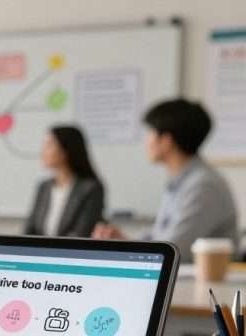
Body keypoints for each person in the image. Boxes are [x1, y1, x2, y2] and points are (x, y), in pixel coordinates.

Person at [92, 98, 238, 258]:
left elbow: (173, 248)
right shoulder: (181, 181)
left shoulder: (203, 186)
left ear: (166, 141)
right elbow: (159, 235)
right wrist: (124, 241)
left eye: (149, 133)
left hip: (206, 280)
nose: (146, 141)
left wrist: (129, 247)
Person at [24, 125, 105, 237]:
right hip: (41, 253)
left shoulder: (91, 189)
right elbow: (29, 229)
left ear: (65, 150)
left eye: (49, 145)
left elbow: (81, 234)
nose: (43, 150)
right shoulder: (44, 187)